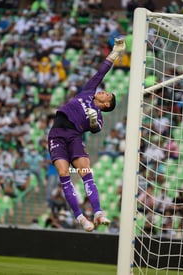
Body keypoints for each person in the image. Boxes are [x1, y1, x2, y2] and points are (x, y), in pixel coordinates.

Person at [47, 38, 125, 232]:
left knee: (85, 172)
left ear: (107, 104)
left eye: (107, 94)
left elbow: (97, 127)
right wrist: (115, 52)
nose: (104, 92)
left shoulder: (99, 117)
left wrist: (91, 121)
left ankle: (98, 212)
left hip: (73, 136)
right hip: (57, 133)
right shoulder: (88, 92)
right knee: (64, 173)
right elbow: (101, 72)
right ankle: (81, 218)